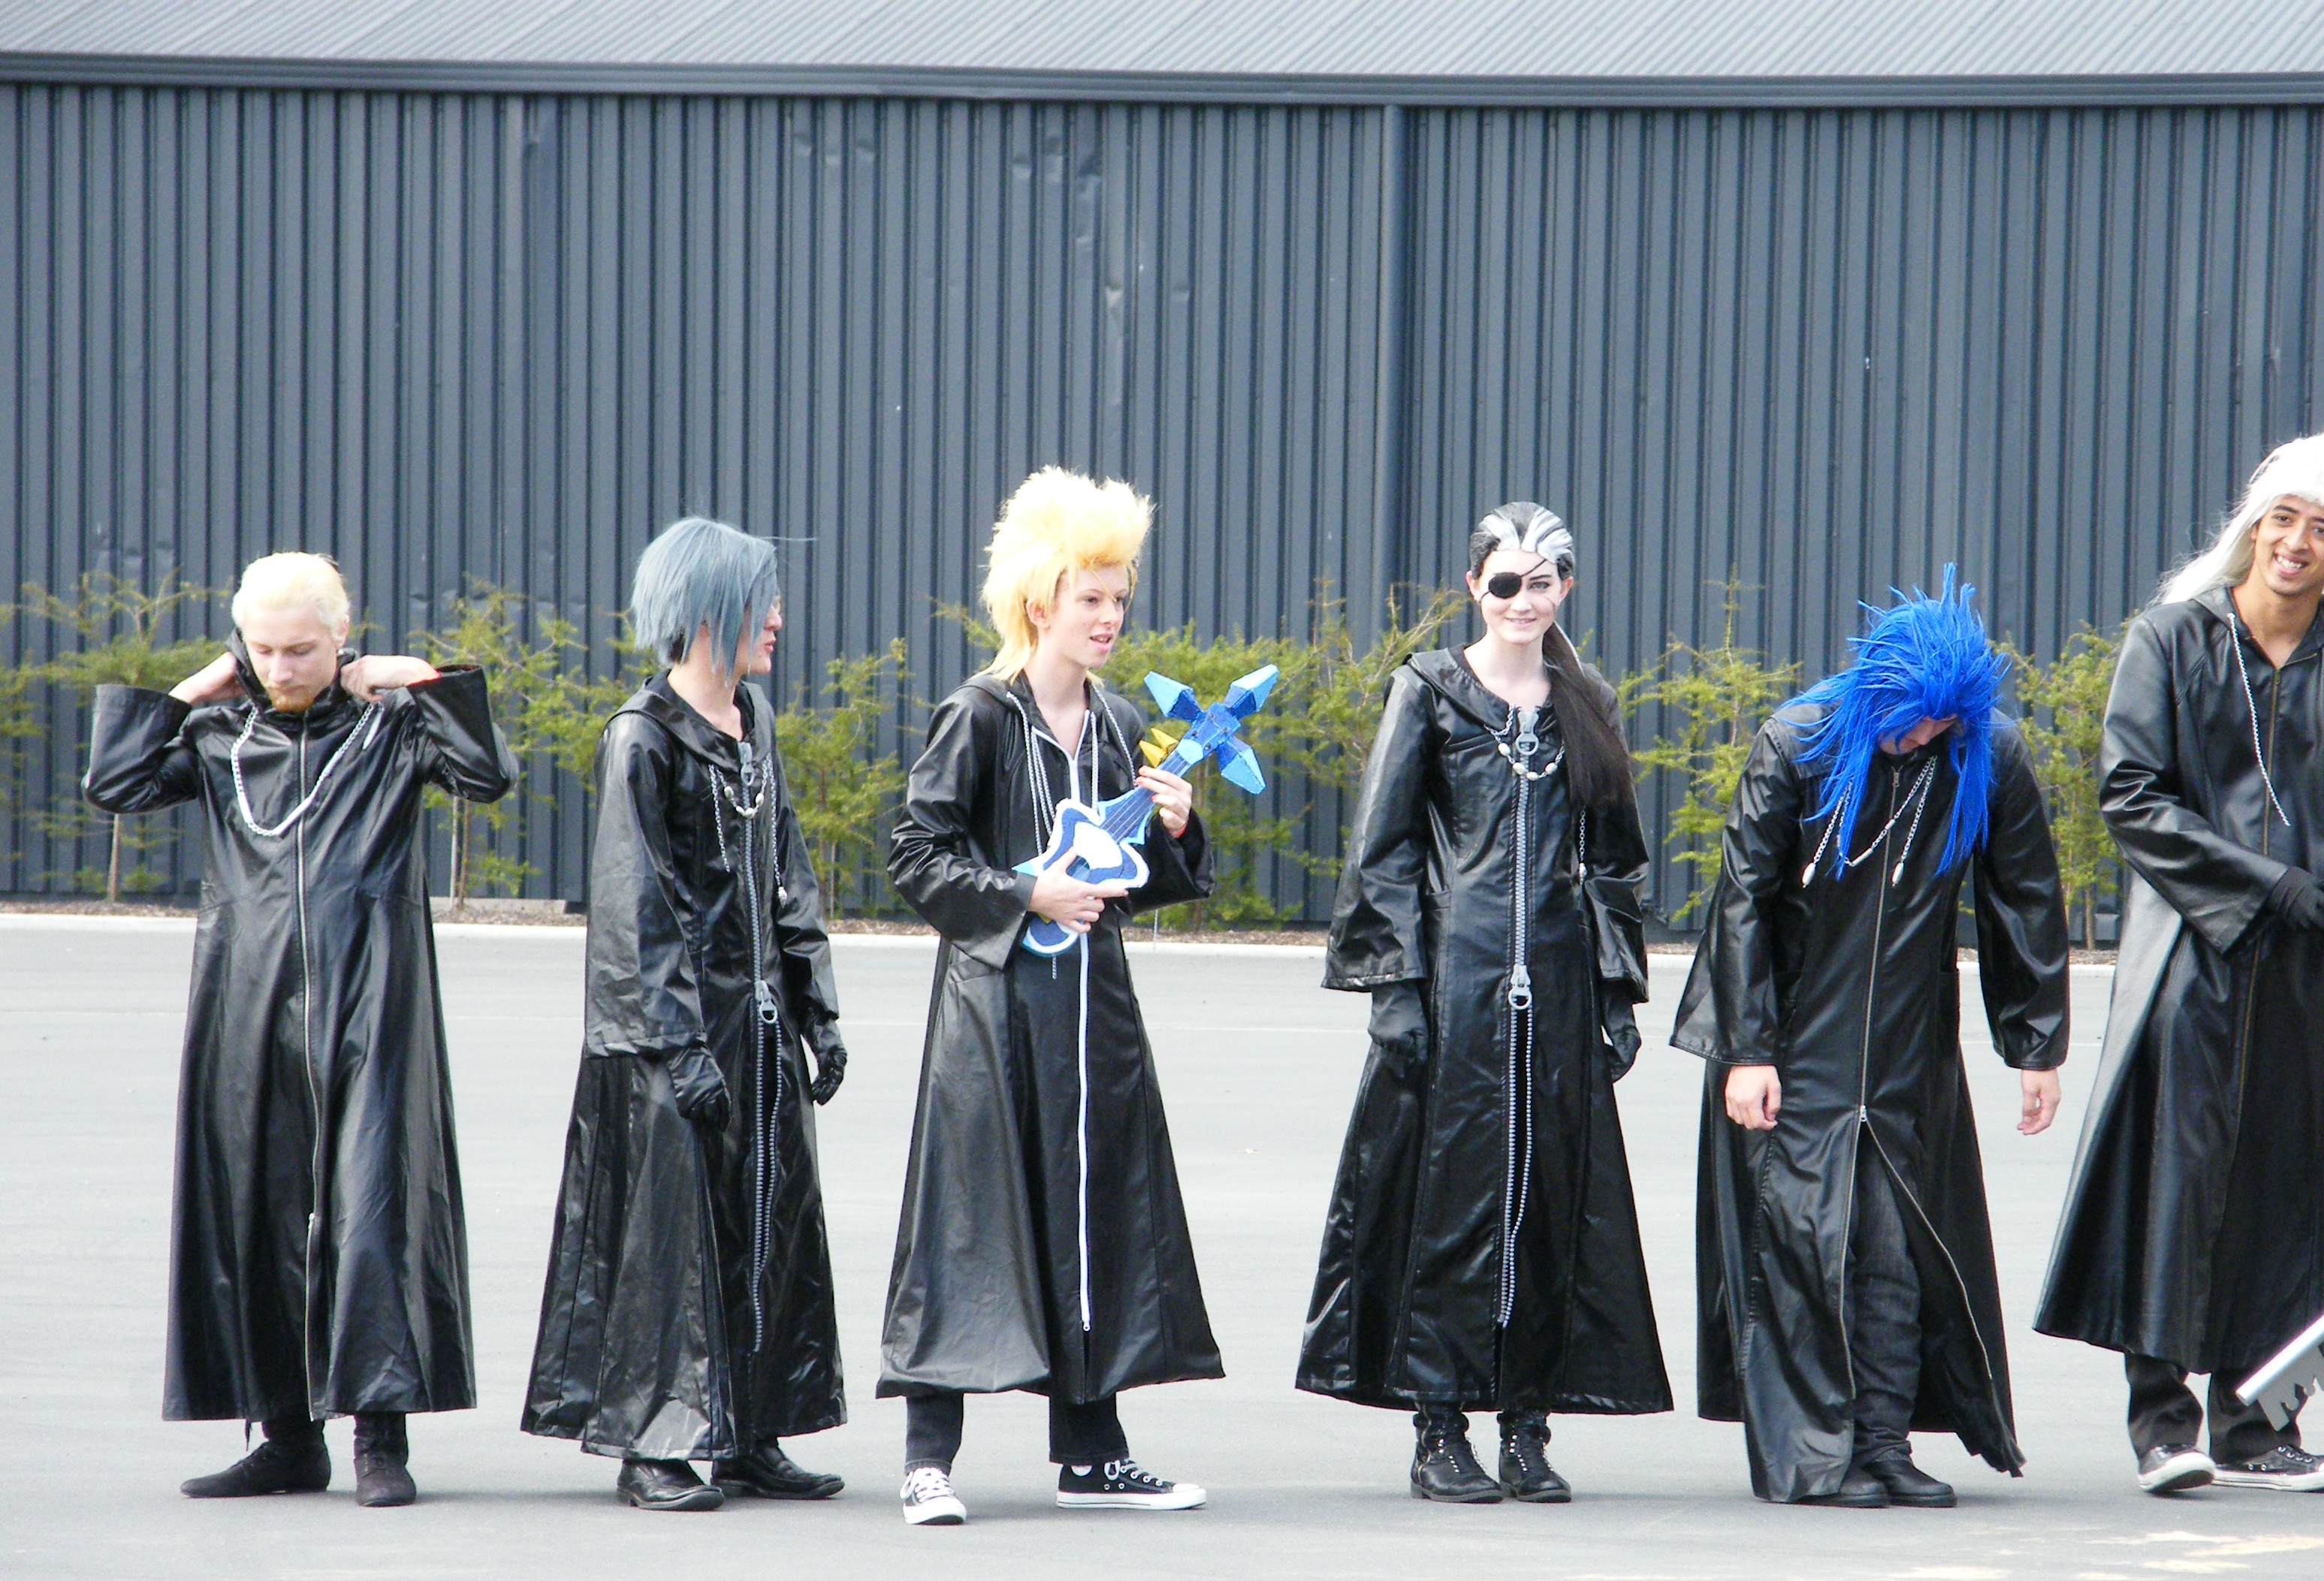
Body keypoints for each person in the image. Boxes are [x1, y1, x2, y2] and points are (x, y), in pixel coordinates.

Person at [2039, 428, 2324, 1495]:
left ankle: (2260, 1423)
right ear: (2254, 527)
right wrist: (2267, 887)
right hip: (2192, 961)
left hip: (2317, 981)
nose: (2298, 543)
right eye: (2285, 520)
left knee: (2300, 1199)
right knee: (2170, 1188)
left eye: (2322, 529)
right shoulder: (2171, 640)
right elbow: (2134, 796)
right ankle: (2162, 1425)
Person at [83, 551, 518, 1507]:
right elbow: (114, 784)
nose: (282, 669)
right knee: (259, 1212)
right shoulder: (221, 737)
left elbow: (486, 776)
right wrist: (196, 687)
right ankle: (287, 1436)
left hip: (373, 1005)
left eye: (302, 650)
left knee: (374, 1210)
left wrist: (419, 679)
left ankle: (380, 1436)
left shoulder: (391, 731)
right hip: (248, 1009)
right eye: (265, 650)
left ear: (341, 640)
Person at [1297, 502, 1669, 1504]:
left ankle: (1527, 1426)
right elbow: (1383, 850)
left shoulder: (1586, 702)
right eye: (1504, 583)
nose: (1522, 600)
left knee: (1548, 1205)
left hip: (1557, 995)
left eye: (1541, 583)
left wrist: (1617, 991)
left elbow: (1614, 863)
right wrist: (1394, 988)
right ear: (1474, 587)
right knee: (1449, 1207)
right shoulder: (1429, 692)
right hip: (1453, 992)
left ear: (1565, 589)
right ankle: (1439, 1426)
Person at [1673, 574, 2067, 1508]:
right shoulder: (1799, 742)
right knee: (1806, 1241)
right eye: (1908, 722)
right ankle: (1822, 1449)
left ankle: (1883, 1441)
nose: (1921, 738)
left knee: (1897, 1247)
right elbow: (1742, 902)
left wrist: (2036, 1045)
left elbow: (2023, 899)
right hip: (1797, 1039)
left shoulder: (1985, 753)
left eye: (1939, 724)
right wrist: (1747, 1049)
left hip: (1905, 1045)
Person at [880, 466, 1219, 1526]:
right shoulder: (978, 716)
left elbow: (1132, 878)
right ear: (1040, 602)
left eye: (1120, 597)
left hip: (1092, 1016)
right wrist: (1027, 891)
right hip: (993, 1020)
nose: (1111, 617)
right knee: (967, 1222)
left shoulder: (1117, 723)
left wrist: (1176, 829)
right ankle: (927, 1461)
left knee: (1097, 1214)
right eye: (1092, 598)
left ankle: (1093, 1454)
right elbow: (914, 854)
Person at [523, 517, 849, 1512]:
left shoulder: (754, 722)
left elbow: (787, 873)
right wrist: (679, 1047)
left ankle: (750, 1434)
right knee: (669, 1243)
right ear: (708, 610)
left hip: (757, 1031)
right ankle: (650, 1446)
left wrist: (817, 1010)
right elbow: (635, 910)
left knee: (765, 1225)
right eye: (762, 601)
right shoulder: (644, 738)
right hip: (671, 1042)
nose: (778, 618)